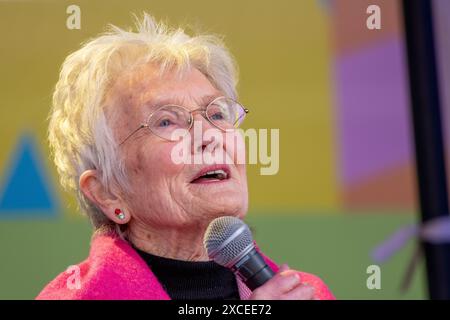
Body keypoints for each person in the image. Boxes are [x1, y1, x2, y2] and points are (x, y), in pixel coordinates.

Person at [36, 13, 334, 300]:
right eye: (166, 121)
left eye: (217, 113)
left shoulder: (308, 293)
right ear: (108, 192)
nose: (210, 135)